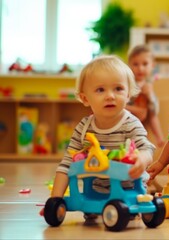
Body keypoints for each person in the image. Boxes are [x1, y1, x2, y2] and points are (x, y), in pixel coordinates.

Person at [44, 55, 155, 218]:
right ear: (85, 98)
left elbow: (147, 148)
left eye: (118, 89)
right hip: (96, 191)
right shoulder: (84, 128)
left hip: (129, 189)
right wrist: (55, 201)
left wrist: (142, 159)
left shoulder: (130, 123)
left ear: (128, 94)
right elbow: (67, 164)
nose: (110, 95)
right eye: (100, 90)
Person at [126, 44, 165, 148]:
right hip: (128, 116)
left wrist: (150, 95)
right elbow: (123, 102)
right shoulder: (127, 83)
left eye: (145, 64)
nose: (140, 68)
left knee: (152, 113)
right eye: (135, 64)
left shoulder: (149, 84)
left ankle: (159, 137)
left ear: (152, 65)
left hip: (143, 122)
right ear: (129, 65)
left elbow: (154, 109)